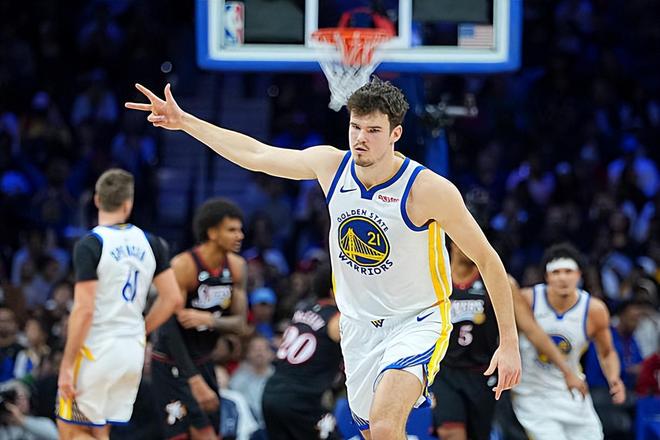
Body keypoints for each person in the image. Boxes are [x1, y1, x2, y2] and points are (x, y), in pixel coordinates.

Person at [127, 78, 521, 439]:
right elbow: (256, 154)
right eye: (355, 127)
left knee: (385, 426)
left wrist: (508, 343)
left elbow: (489, 261)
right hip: (358, 327)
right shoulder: (332, 166)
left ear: (395, 134)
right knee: (373, 433)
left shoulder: (428, 190)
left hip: (416, 320)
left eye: (373, 131)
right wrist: (186, 122)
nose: (360, 139)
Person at [56, 168, 183, 440]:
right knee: (100, 430)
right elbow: (173, 298)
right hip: (131, 351)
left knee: (71, 431)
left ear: (97, 200)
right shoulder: (152, 243)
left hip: (97, 349)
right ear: (128, 204)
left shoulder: (91, 243)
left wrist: (66, 364)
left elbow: (84, 310)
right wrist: (142, 330)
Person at [431, 242, 588, 440]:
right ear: (453, 242)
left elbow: (531, 329)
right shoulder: (435, 277)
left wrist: (567, 371)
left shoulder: (499, 281)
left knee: (479, 435)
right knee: (451, 433)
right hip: (445, 371)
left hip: (484, 372)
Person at [150, 198, 247, 440]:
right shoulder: (184, 265)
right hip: (172, 361)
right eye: (232, 230)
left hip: (204, 358)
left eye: (240, 229)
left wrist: (209, 320)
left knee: (211, 430)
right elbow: (168, 326)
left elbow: (240, 324)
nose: (240, 236)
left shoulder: (237, 267)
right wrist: (193, 379)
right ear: (212, 233)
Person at [511, 242, 626, 440]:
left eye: (568, 271)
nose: (562, 277)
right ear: (546, 276)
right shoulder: (528, 300)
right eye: (556, 272)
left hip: (572, 389)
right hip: (531, 393)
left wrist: (614, 378)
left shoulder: (594, 310)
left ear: (579, 274)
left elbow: (607, 352)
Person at [262, 263, 343, 440]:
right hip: (300, 401)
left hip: (271, 393)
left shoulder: (302, 311)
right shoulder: (337, 319)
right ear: (334, 291)